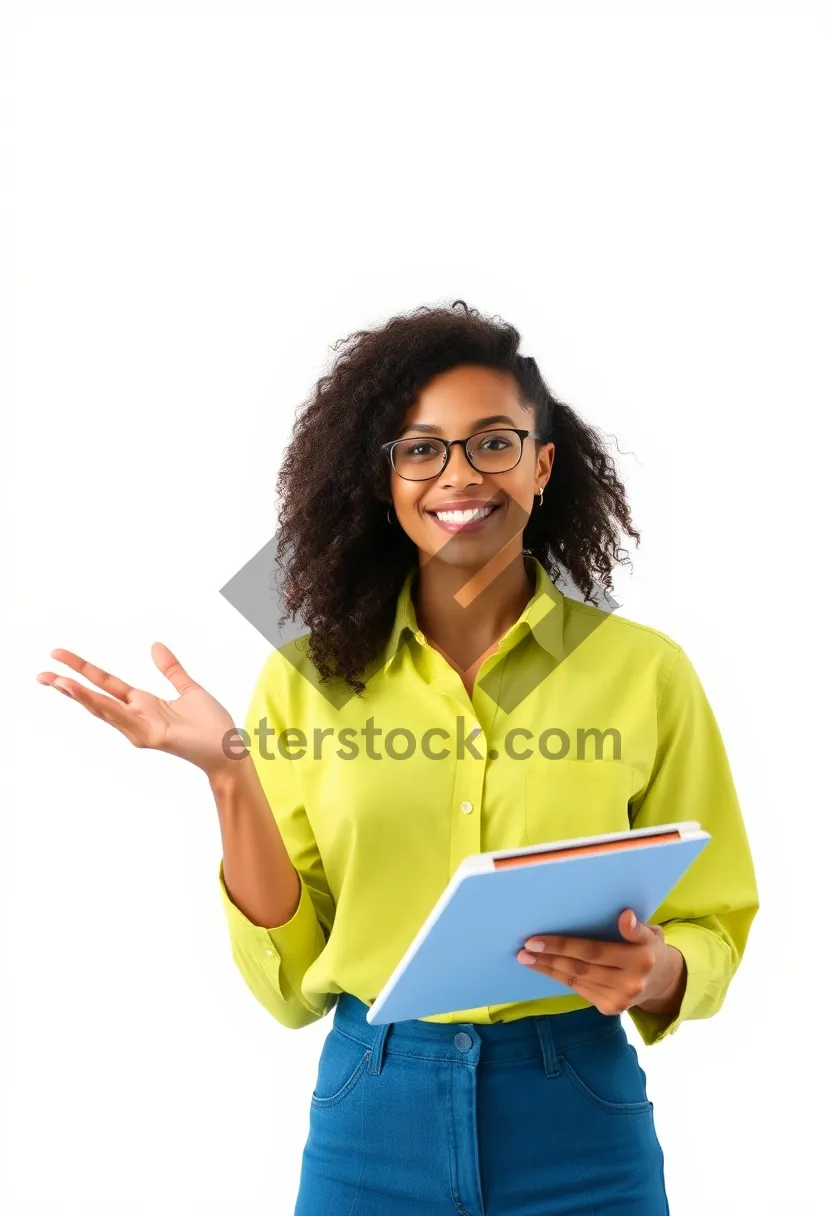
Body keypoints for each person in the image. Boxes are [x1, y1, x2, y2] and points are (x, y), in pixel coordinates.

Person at [37, 300, 758, 1215]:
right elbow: (294, 982)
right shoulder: (306, 678)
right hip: (373, 1109)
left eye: (494, 442)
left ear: (542, 464)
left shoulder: (645, 671)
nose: (459, 474)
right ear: (385, 480)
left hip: (579, 1113)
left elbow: (716, 917)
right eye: (421, 449)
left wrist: (660, 970)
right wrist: (228, 772)